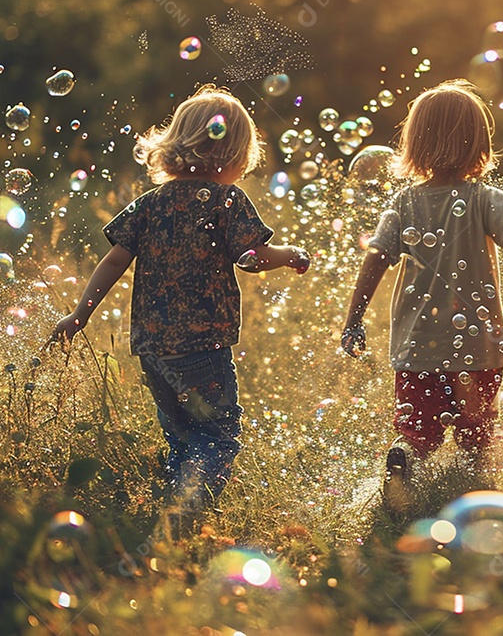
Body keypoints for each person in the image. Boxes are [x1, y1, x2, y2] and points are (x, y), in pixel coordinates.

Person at [50, 84, 309, 522]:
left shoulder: (151, 203)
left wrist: (80, 313)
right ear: (237, 153)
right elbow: (251, 258)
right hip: (203, 348)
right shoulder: (227, 199)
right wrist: (291, 255)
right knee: (218, 435)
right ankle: (190, 510)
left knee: (183, 435)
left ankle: (173, 501)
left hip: (152, 347)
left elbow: (114, 259)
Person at [341, 79, 503, 510]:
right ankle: (474, 496)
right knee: (476, 432)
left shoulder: (404, 203)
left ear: (414, 144)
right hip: (477, 348)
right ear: (479, 145)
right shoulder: (483, 197)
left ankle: (406, 457)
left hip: (417, 348)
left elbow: (372, 261)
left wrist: (353, 320)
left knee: (417, 429)